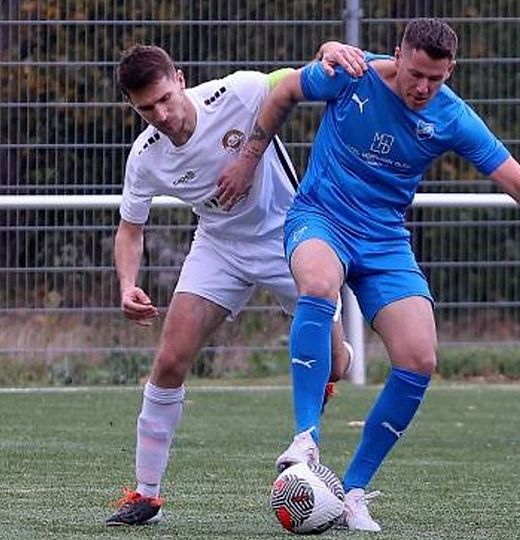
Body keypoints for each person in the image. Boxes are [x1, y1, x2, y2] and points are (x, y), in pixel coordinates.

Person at [218, 18, 520, 532]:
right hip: (320, 217)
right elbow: (283, 95)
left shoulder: (453, 116)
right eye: (415, 74)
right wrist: (249, 158)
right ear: (397, 55)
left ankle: (353, 491)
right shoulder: (350, 72)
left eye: (435, 79)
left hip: (384, 241)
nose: (422, 88)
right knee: (319, 286)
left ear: (450, 71)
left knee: (419, 358)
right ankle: (305, 437)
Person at [105, 45, 352, 526]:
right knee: (170, 358)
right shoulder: (146, 157)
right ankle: (147, 494)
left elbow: (299, 79)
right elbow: (130, 229)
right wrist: (127, 284)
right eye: (145, 109)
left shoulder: (236, 92)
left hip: (293, 237)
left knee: (336, 365)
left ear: (180, 78)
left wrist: (330, 56)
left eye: (164, 99)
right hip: (219, 248)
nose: (161, 115)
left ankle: (319, 412)